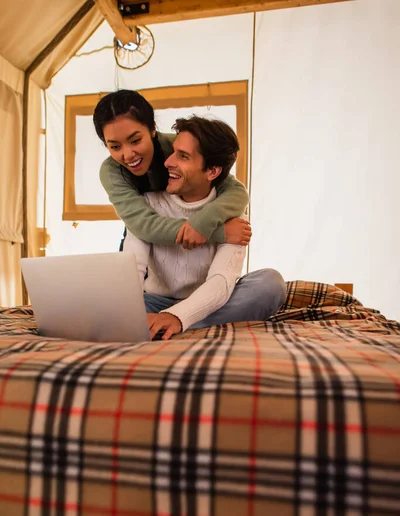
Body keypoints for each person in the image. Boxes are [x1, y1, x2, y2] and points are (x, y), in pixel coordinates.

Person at [119, 115, 287, 340]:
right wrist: (124, 310)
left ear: (212, 172)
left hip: (211, 301)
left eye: (183, 156)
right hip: (153, 300)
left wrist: (177, 316)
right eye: (173, 152)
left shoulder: (231, 211)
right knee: (104, 297)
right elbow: (134, 268)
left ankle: (173, 324)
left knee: (270, 285)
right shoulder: (148, 202)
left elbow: (221, 281)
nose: (168, 162)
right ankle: (187, 325)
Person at [93, 89, 251, 250]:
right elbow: (145, 226)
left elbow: (236, 191)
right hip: (143, 241)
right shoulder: (111, 172)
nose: (128, 155)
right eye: (115, 146)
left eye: (135, 140)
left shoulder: (176, 148)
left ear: (153, 129)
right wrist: (217, 233)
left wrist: (204, 222)